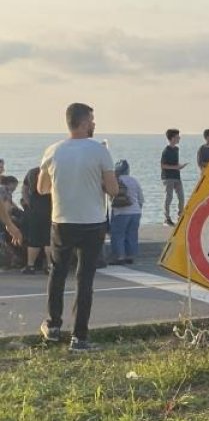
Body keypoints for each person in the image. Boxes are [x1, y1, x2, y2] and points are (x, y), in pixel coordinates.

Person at [38, 102, 119, 352]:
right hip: (92, 222)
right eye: (92, 120)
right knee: (85, 280)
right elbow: (113, 189)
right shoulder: (100, 151)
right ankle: (79, 338)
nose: (94, 124)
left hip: (62, 221)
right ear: (84, 123)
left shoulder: (53, 150)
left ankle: (53, 326)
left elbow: (41, 188)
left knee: (58, 273)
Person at [108, 159, 143, 265]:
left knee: (118, 234)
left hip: (120, 212)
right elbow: (141, 198)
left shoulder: (115, 180)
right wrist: (139, 208)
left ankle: (119, 257)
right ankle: (130, 256)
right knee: (132, 234)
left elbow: (110, 195)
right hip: (135, 212)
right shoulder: (134, 180)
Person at [21, 167, 51, 274]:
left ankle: (30, 266)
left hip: (34, 209)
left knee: (34, 239)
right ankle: (49, 266)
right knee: (49, 239)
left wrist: (28, 202)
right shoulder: (54, 172)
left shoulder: (32, 172)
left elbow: (24, 189)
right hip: (50, 209)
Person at [160, 128, 186, 226]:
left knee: (181, 197)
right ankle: (167, 218)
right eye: (177, 137)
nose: (179, 138)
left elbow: (174, 163)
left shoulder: (176, 149)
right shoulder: (166, 150)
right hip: (168, 177)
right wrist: (176, 167)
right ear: (172, 138)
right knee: (169, 197)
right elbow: (163, 165)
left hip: (176, 176)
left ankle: (180, 216)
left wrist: (180, 166)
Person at [0, 175, 22, 269]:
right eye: (15, 186)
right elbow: (5, 205)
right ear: (10, 184)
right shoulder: (4, 190)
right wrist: (9, 223)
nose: (15, 188)